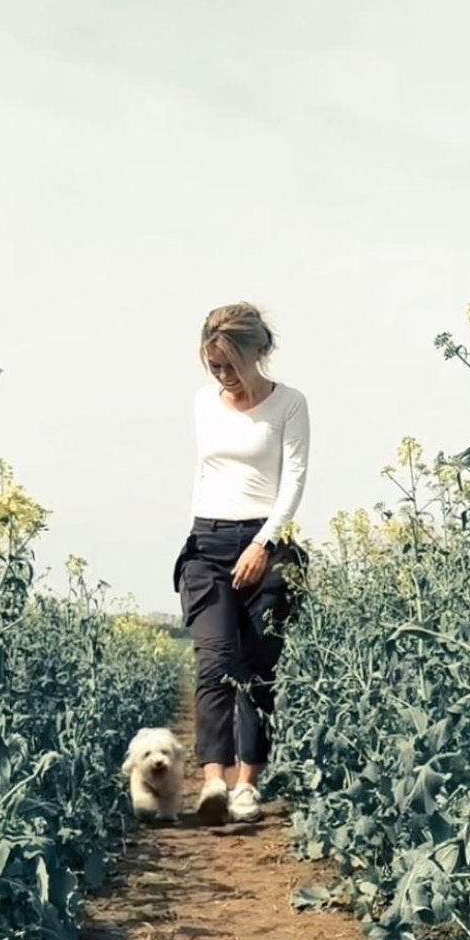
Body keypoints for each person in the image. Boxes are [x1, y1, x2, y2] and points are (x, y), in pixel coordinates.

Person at [173, 303, 310, 826]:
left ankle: (247, 785)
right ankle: (213, 783)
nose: (224, 376)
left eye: (231, 363)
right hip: (207, 543)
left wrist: (264, 544)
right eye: (214, 366)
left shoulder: (290, 405)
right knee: (213, 662)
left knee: (256, 668)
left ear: (259, 351)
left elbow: (293, 480)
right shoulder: (204, 403)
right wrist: (194, 538)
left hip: (265, 545)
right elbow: (203, 474)